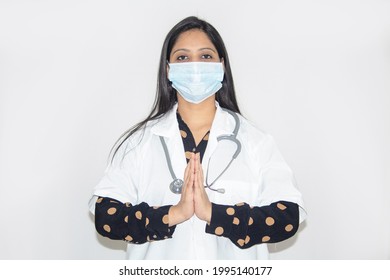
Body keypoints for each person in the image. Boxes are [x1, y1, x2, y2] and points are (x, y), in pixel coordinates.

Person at [89, 16, 306, 260]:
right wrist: (173, 214)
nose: (194, 66)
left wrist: (214, 214)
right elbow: (105, 215)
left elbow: (288, 218)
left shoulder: (255, 141)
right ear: (168, 69)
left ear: (222, 65)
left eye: (205, 56)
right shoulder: (139, 142)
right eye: (183, 57)